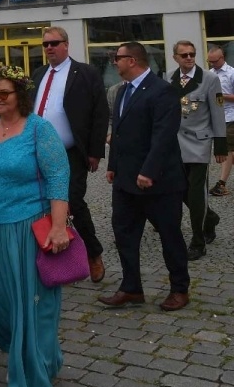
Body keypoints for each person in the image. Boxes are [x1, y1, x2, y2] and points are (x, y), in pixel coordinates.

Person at [0, 63, 69, 387]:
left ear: (20, 95)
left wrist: (58, 227)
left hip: (28, 226)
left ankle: (31, 368)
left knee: (31, 304)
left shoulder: (39, 129)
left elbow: (59, 177)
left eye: (4, 93)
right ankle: (27, 349)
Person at [100, 42, 190, 312]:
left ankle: (179, 288)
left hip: (159, 182)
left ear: (133, 60)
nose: (114, 62)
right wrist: (113, 164)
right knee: (124, 234)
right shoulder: (121, 91)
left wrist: (148, 171)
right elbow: (119, 131)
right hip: (126, 181)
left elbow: (163, 135)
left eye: (118, 58)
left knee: (169, 235)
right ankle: (131, 288)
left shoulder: (162, 91)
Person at [31, 26, 109, 284]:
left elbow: (100, 113)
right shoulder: (39, 74)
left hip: (71, 152)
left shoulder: (85, 73)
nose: (50, 48)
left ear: (66, 44)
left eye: (54, 43)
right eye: (46, 44)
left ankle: (93, 252)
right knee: (40, 202)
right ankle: (50, 253)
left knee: (72, 201)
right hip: (37, 152)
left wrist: (96, 151)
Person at [168, 40, 226, 260]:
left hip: (200, 143)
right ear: (176, 57)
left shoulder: (209, 79)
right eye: (184, 55)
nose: (189, 58)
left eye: (192, 54)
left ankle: (198, 241)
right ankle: (210, 218)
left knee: (196, 193)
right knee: (181, 191)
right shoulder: (169, 78)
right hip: (175, 144)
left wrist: (220, 144)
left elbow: (217, 112)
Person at [208, 46, 234, 196]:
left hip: (231, 117)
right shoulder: (209, 74)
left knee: (226, 150)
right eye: (209, 61)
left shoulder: (231, 73)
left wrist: (220, 95)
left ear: (222, 58)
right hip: (216, 118)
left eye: (214, 61)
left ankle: (221, 184)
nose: (212, 64)